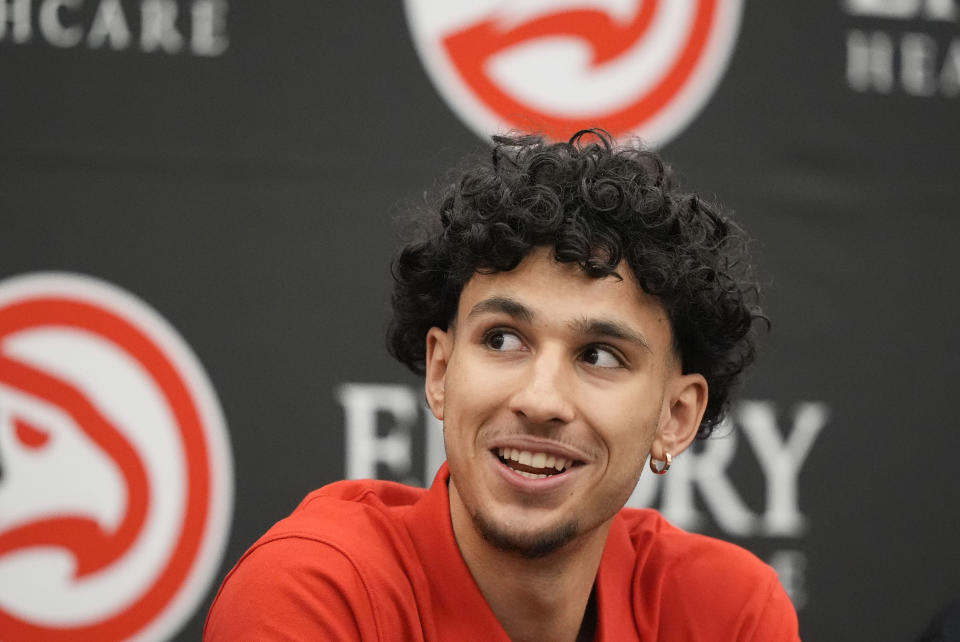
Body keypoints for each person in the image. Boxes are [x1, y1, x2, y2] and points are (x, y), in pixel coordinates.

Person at [204, 130, 800, 641]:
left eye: (599, 355)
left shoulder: (728, 612)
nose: (539, 401)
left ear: (675, 416)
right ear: (440, 371)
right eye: (502, 340)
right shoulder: (316, 593)